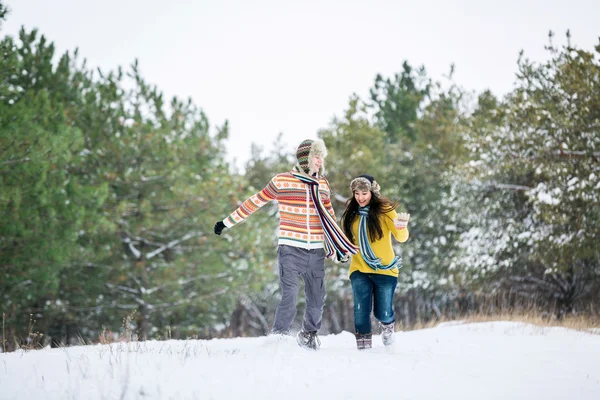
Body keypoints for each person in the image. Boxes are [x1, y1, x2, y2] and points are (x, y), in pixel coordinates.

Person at [213, 139, 357, 350]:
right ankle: (278, 338)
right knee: (289, 294)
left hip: (315, 250)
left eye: (321, 157)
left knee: (317, 299)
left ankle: (308, 334)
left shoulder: (322, 185)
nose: (320, 161)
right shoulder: (282, 181)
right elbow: (255, 201)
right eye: (316, 156)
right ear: (305, 159)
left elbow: (329, 220)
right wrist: (226, 222)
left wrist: (338, 246)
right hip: (290, 248)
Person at [340, 174, 410, 350]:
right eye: (357, 193)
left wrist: (401, 228)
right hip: (359, 269)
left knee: (383, 312)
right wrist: (343, 252)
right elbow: (346, 240)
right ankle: (363, 349)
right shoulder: (351, 212)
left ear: (372, 192)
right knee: (360, 310)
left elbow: (401, 238)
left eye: (364, 193)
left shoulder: (384, 210)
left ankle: (388, 327)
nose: (360, 197)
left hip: (384, 269)